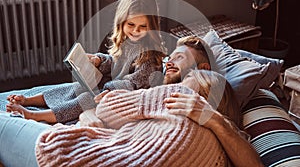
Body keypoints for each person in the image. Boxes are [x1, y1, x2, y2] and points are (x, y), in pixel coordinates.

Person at [0, 69, 263, 167]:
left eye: (189, 78)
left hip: (72, 157)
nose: (181, 79)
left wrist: (95, 116)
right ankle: (35, 114)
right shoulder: (224, 147)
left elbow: (106, 109)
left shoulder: (181, 97)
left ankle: (35, 115)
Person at [5, 0, 166, 124]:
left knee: (85, 100)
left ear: (151, 25)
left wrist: (108, 90)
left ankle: (34, 115)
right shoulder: (126, 42)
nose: (136, 31)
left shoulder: (149, 56)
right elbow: (115, 62)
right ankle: (29, 100)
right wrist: (99, 60)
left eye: (143, 26)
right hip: (111, 88)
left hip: (127, 98)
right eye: (131, 25)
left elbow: (135, 83)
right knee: (76, 87)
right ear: (121, 22)